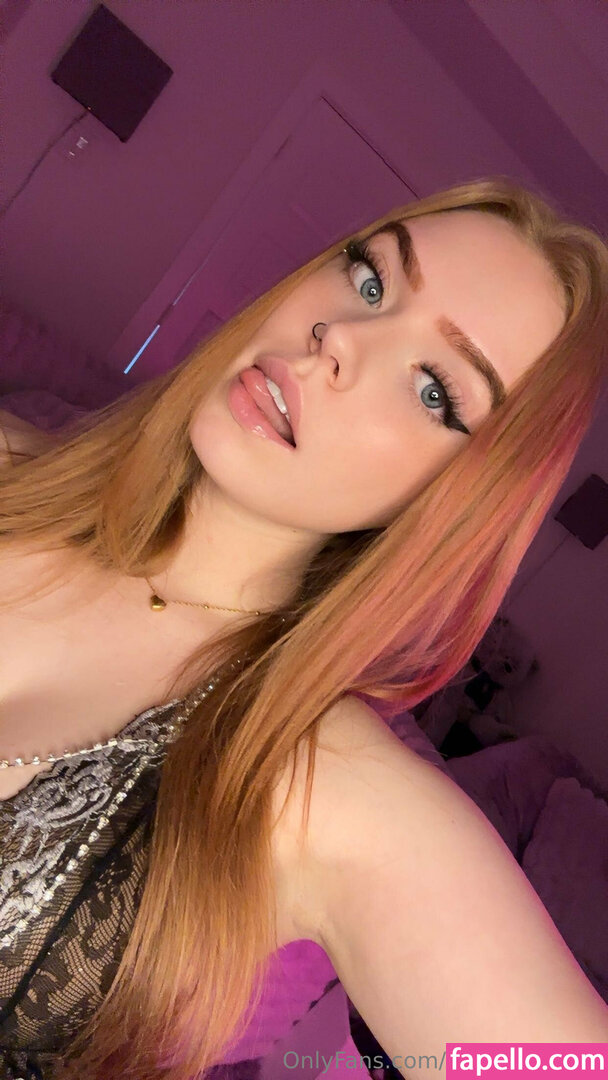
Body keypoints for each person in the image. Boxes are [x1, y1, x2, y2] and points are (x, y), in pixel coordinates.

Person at [1, 176, 607, 1080]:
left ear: (455, 503)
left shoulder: (323, 784)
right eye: (370, 280)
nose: (341, 340)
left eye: (434, 389)